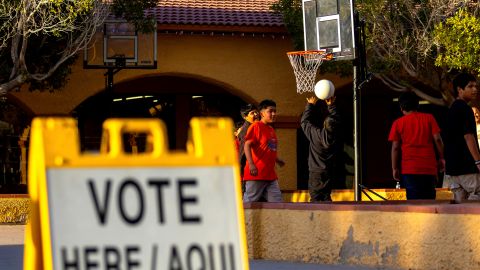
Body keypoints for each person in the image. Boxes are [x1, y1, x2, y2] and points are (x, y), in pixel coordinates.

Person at [388, 92, 444, 200]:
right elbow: (438, 139)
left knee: (414, 204)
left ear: (401, 108)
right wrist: (441, 158)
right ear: (418, 105)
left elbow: (395, 148)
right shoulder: (429, 118)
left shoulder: (398, 123)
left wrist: (395, 168)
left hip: (409, 169)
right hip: (429, 168)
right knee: (430, 201)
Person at [444, 73, 480, 202]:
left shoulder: (451, 109)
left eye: (476, 86)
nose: (475, 89)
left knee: (459, 210)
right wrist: (478, 161)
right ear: (460, 90)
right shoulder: (465, 109)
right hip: (467, 168)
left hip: (452, 172)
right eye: (470, 86)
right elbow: (469, 136)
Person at [301, 95, 342, 202]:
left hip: (316, 173)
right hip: (328, 173)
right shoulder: (335, 137)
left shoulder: (316, 135)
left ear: (324, 124)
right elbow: (335, 120)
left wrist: (310, 105)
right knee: (326, 199)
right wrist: (331, 106)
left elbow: (304, 122)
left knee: (315, 200)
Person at [243, 99, 284, 202]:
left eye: (275, 111)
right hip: (256, 175)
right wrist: (251, 164)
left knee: (277, 204)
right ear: (262, 113)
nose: (274, 114)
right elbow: (247, 145)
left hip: (270, 175)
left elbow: (268, 149)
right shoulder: (256, 126)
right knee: (248, 205)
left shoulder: (271, 129)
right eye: (270, 111)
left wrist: (277, 160)